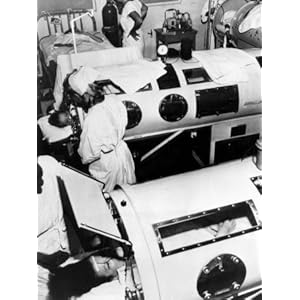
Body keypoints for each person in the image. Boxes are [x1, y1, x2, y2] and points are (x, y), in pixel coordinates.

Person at [37, 155, 126, 299]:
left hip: (68, 256)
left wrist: (95, 239)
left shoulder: (47, 164)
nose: (41, 179)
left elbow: (74, 201)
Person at [66, 66, 136, 192]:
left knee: (110, 197)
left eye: (73, 97)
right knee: (128, 192)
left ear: (83, 94)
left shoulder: (92, 118)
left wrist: (78, 149)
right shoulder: (113, 99)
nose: (73, 101)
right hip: (123, 154)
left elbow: (88, 155)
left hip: (107, 166)